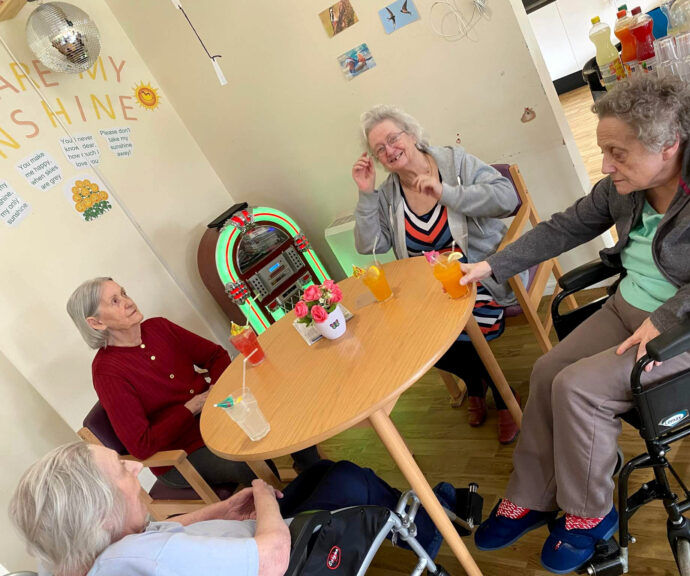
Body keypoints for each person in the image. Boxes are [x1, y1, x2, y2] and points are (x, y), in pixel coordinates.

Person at [460, 76, 690, 573]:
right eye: (604, 150)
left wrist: (670, 315)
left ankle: (590, 514)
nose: (605, 165)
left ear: (668, 144)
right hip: (632, 306)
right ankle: (533, 495)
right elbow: (567, 225)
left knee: (579, 389)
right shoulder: (626, 186)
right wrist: (494, 264)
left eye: (617, 153)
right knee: (546, 372)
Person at [9, 442, 456, 576]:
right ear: (100, 513)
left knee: (322, 471)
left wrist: (218, 509)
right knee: (347, 479)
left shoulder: (87, 556)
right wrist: (259, 494)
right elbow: (273, 560)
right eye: (121, 471)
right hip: (287, 557)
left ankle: (418, 518)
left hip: (245, 541)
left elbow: (159, 534)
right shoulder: (141, 558)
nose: (136, 466)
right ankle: (424, 527)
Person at [352, 104, 526, 443]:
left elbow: (507, 198)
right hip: (430, 288)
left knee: (460, 331)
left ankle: (503, 395)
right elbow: (369, 244)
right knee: (412, 342)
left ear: (412, 134)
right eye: (380, 149)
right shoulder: (388, 194)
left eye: (393, 139)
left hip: (480, 274)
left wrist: (447, 193)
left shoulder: (454, 163)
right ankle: (478, 382)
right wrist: (366, 194)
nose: (389, 150)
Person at [66, 277, 321, 488]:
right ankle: (286, 513)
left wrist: (218, 391)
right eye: (115, 301)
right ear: (96, 323)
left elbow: (215, 356)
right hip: (183, 452)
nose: (128, 301)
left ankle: (316, 475)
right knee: (248, 464)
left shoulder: (159, 327)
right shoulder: (108, 373)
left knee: (284, 411)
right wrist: (193, 406)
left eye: (124, 293)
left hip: (218, 413)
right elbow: (142, 445)